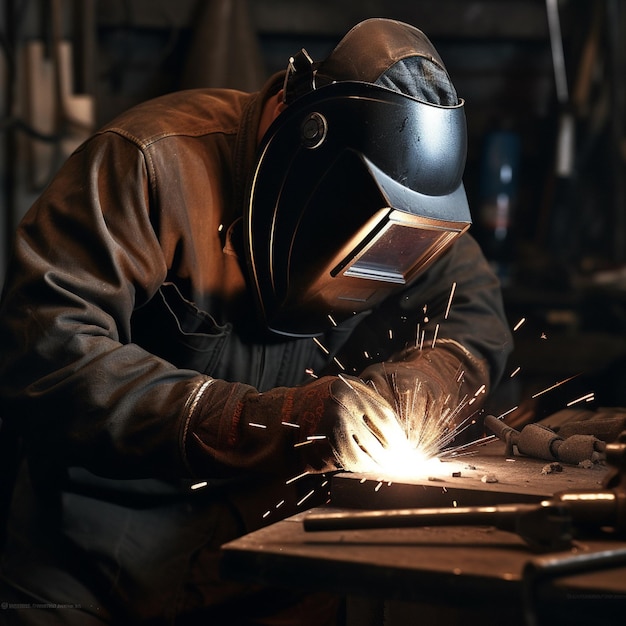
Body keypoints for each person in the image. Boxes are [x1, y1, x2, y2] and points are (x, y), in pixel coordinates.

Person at [0, 18, 512, 625]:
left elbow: (475, 325)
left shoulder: (410, 207)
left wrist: (406, 399)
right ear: (309, 160)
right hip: (93, 574)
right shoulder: (151, 164)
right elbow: (48, 354)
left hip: (275, 569)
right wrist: (267, 420)